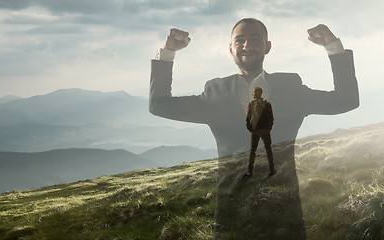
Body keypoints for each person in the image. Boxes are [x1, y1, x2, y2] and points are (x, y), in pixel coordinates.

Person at [149, 18, 359, 239]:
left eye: (254, 39)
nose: (246, 45)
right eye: (239, 41)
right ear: (231, 49)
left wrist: (333, 46)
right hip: (231, 217)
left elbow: (346, 100)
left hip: (284, 215)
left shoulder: (291, 88)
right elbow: (159, 105)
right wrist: (169, 51)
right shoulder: (215, 93)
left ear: (267, 47)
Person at [245, 87, 275, 178]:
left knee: (253, 150)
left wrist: (250, 128)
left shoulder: (251, 103)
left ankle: (250, 171)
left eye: (253, 92)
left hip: (255, 130)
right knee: (268, 149)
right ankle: (272, 169)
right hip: (265, 130)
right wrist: (269, 128)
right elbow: (271, 117)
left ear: (257, 93)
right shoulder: (267, 103)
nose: (252, 94)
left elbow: (248, 118)